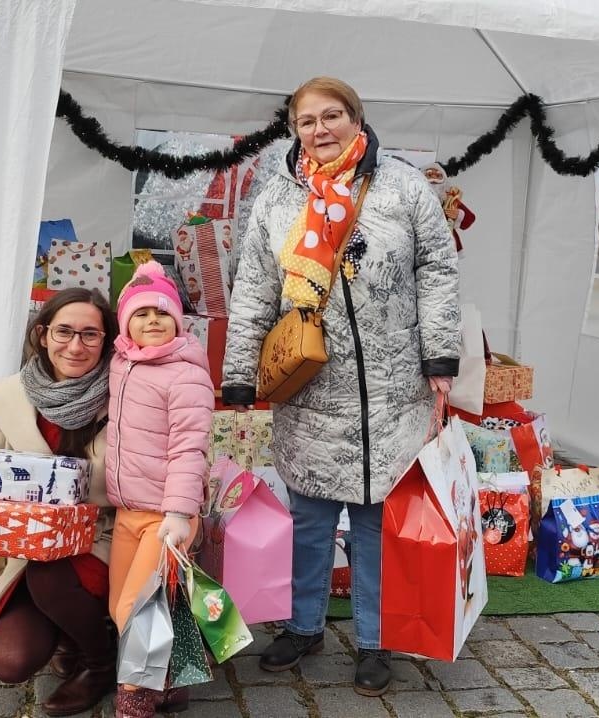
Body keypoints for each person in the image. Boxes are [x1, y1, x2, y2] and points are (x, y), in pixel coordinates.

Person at [220, 76, 460, 696]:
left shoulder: (403, 187)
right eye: (307, 121)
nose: (320, 130)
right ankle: (303, 627)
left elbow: (437, 268)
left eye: (332, 116)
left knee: (379, 523)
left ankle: (376, 640)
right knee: (311, 519)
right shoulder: (277, 199)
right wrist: (241, 372)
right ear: (293, 129)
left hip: (392, 391)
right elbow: (252, 286)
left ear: (357, 119)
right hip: (311, 393)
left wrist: (440, 354)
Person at [0, 288, 119, 716]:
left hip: (100, 537)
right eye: (64, 331)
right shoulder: (6, 397)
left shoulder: (126, 394)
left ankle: (100, 663)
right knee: (10, 662)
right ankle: (70, 633)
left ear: (106, 340)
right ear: (42, 334)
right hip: (28, 545)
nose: (76, 346)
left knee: (49, 572)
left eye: (90, 335)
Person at [104, 261, 212, 718]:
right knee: (116, 606)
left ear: (179, 322)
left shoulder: (185, 374)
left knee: (138, 606)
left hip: (166, 517)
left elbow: (190, 448)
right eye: (142, 313)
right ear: (125, 322)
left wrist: (180, 514)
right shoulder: (122, 363)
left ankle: (134, 696)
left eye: (163, 313)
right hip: (128, 513)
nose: (153, 321)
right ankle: (170, 680)